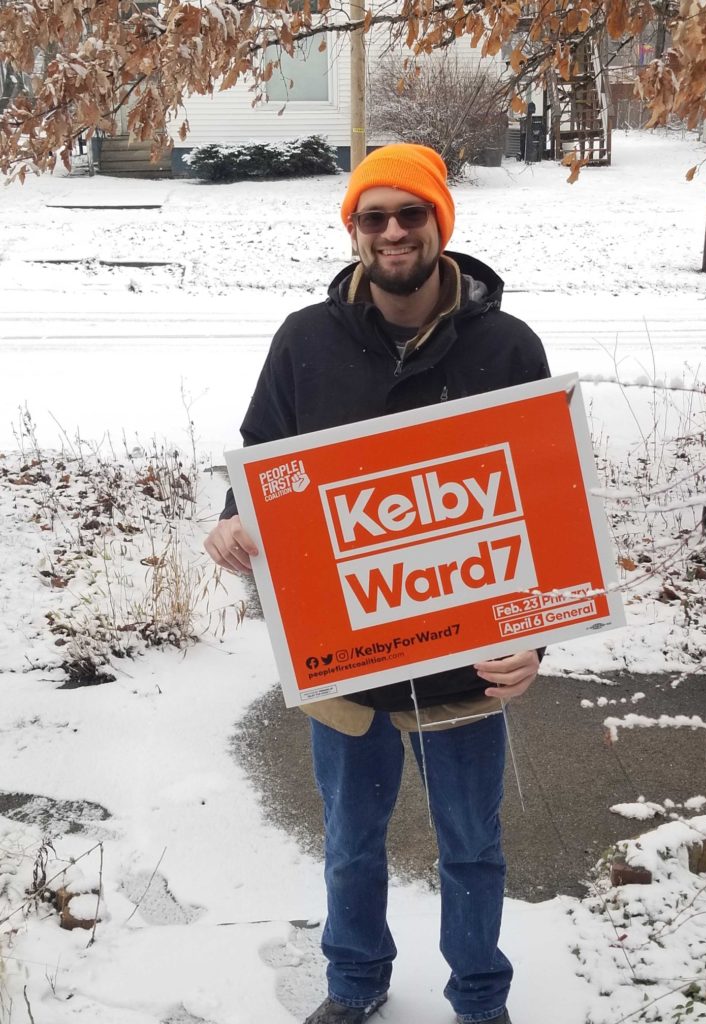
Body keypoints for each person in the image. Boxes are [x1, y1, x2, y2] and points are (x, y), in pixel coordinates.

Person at [204, 143, 550, 1024]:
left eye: (411, 214)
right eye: (374, 217)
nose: (393, 232)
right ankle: (354, 984)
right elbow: (260, 460)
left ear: (442, 223)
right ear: (354, 231)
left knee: (471, 846)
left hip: (465, 668)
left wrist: (532, 638)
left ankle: (479, 997)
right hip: (346, 663)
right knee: (351, 845)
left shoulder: (508, 347)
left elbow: (546, 506)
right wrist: (233, 516)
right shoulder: (305, 341)